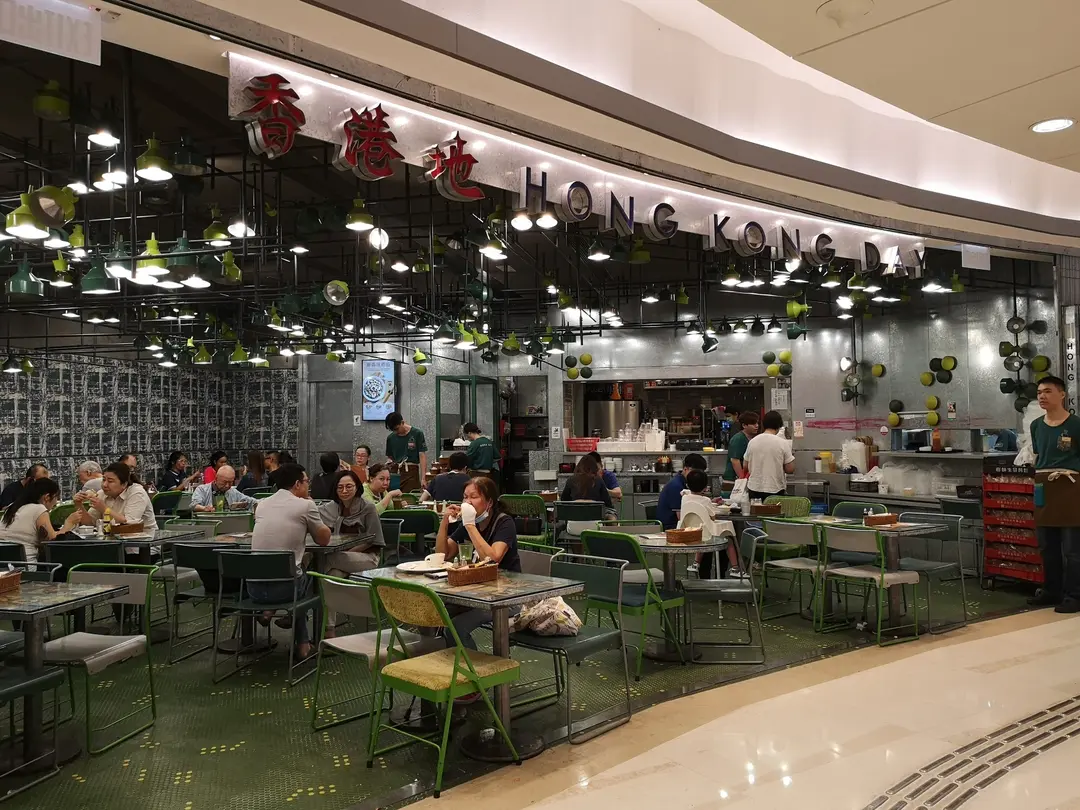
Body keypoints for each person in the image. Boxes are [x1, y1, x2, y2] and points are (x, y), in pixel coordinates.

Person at [249, 464, 331, 660]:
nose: (309, 485)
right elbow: (324, 539)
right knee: (313, 575)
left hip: (253, 590)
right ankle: (306, 643)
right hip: (286, 589)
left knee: (294, 570)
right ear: (297, 484)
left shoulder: (262, 504)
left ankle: (270, 612)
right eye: (306, 481)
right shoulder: (305, 505)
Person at [435, 476, 520, 649]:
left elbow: (492, 559)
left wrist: (470, 525)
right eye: (465, 497)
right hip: (476, 593)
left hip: (507, 598)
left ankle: (472, 665)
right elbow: (443, 554)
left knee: (456, 627)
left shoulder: (504, 522)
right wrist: (444, 523)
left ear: (489, 502)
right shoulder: (468, 524)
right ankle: (445, 661)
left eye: (473, 497)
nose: (468, 502)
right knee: (434, 614)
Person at [1027, 376, 1080, 612]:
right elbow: (1039, 454)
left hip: (1070, 487)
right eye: (1039, 392)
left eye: (1048, 391)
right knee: (1046, 545)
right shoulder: (1036, 426)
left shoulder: (1076, 425)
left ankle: (1075, 595)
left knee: (1072, 549)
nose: (1042, 396)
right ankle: (1051, 591)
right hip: (1043, 487)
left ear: (1062, 395)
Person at [319, 470, 385, 634]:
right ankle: (329, 629)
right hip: (342, 559)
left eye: (349, 486)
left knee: (327, 559)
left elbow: (372, 540)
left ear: (357, 487)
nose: (344, 491)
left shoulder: (368, 508)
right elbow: (315, 513)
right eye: (340, 487)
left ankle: (303, 595)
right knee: (330, 578)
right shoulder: (333, 508)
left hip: (367, 558)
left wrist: (347, 549)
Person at [0, 477, 81, 561]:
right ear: (47, 497)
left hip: (4, 563)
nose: (56, 501)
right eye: (56, 497)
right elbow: (52, 541)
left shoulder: (12, 507)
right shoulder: (39, 509)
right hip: (26, 564)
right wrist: (68, 524)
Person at [683, 469, 743, 579]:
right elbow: (713, 516)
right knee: (728, 539)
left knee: (701, 538)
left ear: (687, 485)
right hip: (707, 535)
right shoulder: (706, 500)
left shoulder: (684, 498)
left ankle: (696, 563)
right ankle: (735, 567)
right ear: (705, 488)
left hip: (691, 532)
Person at [76, 462, 157, 532]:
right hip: (113, 539)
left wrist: (104, 509)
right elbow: (89, 524)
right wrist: (79, 505)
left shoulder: (137, 493)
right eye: (103, 480)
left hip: (144, 539)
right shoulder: (102, 494)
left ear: (124, 484)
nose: (104, 485)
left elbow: (128, 524)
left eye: (110, 481)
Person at [743, 411, 795, 500]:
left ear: (763, 424)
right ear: (779, 426)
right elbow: (790, 469)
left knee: (756, 509)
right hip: (775, 489)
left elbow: (745, 466)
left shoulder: (752, 442)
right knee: (773, 510)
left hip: (754, 488)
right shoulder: (782, 443)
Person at [657, 453, 707, 530]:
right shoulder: (676, 486)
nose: (699, 476)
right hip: (671, 528)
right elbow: (682, 518)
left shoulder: (685, 482)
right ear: (686, 469)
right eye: (695, 472)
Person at [384, 411, 428, 493]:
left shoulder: (417, 434)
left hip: (411, 472)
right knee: (394, 496)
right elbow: (390, 457)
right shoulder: (391, 438)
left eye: (397, 429)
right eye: (393, 430)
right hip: (396, 472)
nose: (396, 432)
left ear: (402, 422)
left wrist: (423, 478)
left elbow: (422, 456)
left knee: (410, 496)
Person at [192, 465, 257, 512]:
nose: (227, 486)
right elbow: (194, 505)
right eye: (224, 482)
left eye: (230, 482)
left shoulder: (233, 492)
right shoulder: (202, 489)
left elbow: (252, 502)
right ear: (216, 479)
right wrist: (204, 508)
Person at [723, 412, 760, 483]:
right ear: (744, 425)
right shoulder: (738, 439)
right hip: (733, 480)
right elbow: (735, 460)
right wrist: (742, 479)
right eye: (753, 424)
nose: (756, 426)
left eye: (757, 423)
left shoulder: (752, 439)